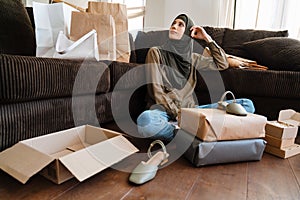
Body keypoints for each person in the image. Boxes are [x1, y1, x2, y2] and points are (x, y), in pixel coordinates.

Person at [137, 14, 255, 142]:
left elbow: (222, 63)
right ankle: (191, 134)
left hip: (190, 112)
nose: (174, 27)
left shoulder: (193, 59)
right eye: (173, 23)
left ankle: (190, 133)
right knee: (146, 122)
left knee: (247, 105)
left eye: (180, 25)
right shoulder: (156, 52)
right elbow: (157, 92)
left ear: (188, 33)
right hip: (162, 112)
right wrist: (179, 115)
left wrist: (207, 38)